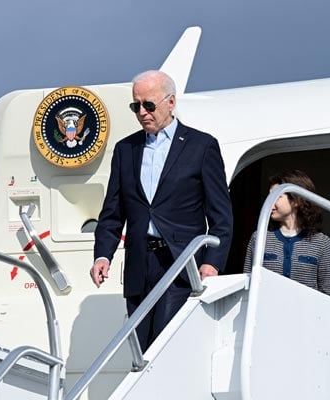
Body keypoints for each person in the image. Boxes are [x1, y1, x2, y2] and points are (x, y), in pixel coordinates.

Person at [90, 70, 233, 351]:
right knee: (141, 348)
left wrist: (212, 261)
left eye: (149, 105)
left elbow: (221, 215)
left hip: (181, 263)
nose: (142, 112)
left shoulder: (201, 146)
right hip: (139, 264)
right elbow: (113, 213)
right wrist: (102, 255)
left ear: (170, 102)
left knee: (165, 347)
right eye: (136, 106)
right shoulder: (125, 150)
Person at [243, 170, 330, 296]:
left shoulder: (322, 242)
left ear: (296, 200)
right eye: (269, 196)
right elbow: (247, 285)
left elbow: (327, 294)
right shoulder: (259, 238)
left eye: (276, 196)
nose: (269, 202)